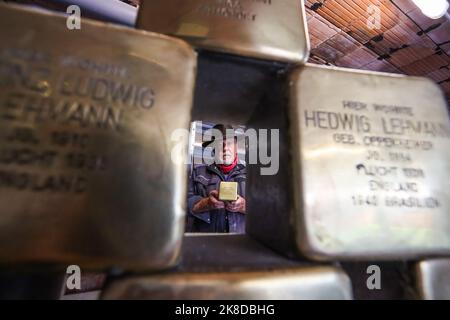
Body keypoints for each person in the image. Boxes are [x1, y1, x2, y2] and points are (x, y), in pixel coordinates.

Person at [186, 124, 246, 233]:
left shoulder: (250, 176)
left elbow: (265, 210)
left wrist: (243, 206)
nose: (225, 148)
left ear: (236, 147)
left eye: (229, 143)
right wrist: (206, 203)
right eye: (220, 144)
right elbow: (184, 205)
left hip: (240, 245)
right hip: (207, 245)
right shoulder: (198, 173)